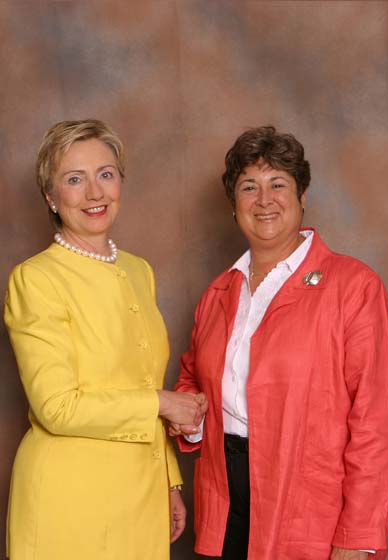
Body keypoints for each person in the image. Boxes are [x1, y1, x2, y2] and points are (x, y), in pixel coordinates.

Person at [170, 126, 388, 560]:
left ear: (302, 194)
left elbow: (376, 422)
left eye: (278, 184)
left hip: (310, 508)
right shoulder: (219, 293)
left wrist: (358, 535)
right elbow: (193, 379)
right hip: (225, 500)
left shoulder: (353, 287)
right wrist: (190, 414)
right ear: (234, 205)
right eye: (249, 187)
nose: (264, 199)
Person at [4, 119, 207, 560]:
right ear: (50, 196)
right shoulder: (35, 280)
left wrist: (168, 480)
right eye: (74, 180)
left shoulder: (139, 270)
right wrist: (163, 403)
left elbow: (141, 378)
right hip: (70, 500)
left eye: (106, 174)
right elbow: (57, 408)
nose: (95, 193)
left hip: (140, 494)